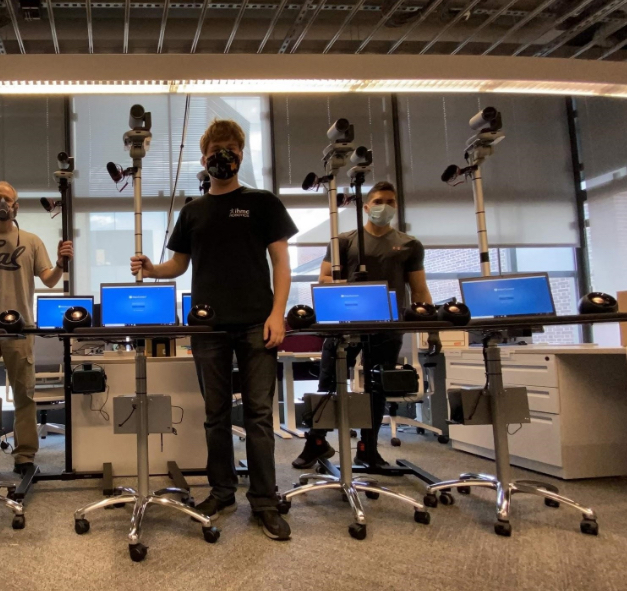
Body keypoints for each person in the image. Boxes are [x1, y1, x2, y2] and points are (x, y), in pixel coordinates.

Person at [130, 119, 297, 541]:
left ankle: (264, 499)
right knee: (215, 415)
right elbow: (179, 265)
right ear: (203, 158)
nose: (223, 154)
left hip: (258, 323)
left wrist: (279, 314)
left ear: (240, 154)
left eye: (230, 147)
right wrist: (153, 270)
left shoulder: (263, 203)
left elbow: (281, 264)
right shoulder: (193, 210)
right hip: (208, 326)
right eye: (215, 148)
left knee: (259, 417)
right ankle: (223, 492)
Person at [291, 180, 433, 470]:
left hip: (386, 324)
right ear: (367, 207)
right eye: (379, 201)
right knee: (329, 382)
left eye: (391, 202)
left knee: (376, 386)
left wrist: (430, 327)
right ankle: (316, 441)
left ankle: (368, 449)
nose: (385, 207)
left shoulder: (409, 245)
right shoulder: (343, 241)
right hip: (344, 323)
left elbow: (419, 289)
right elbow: (324, 281)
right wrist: (347, 284)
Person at [0, 181, 74, 485]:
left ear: (17, 206)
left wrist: (61, 264)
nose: (3, 203)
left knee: (25, 396)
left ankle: (25, 457)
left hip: (20, 330)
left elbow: (49, 280)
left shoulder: (32, 241)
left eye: (9, 199)